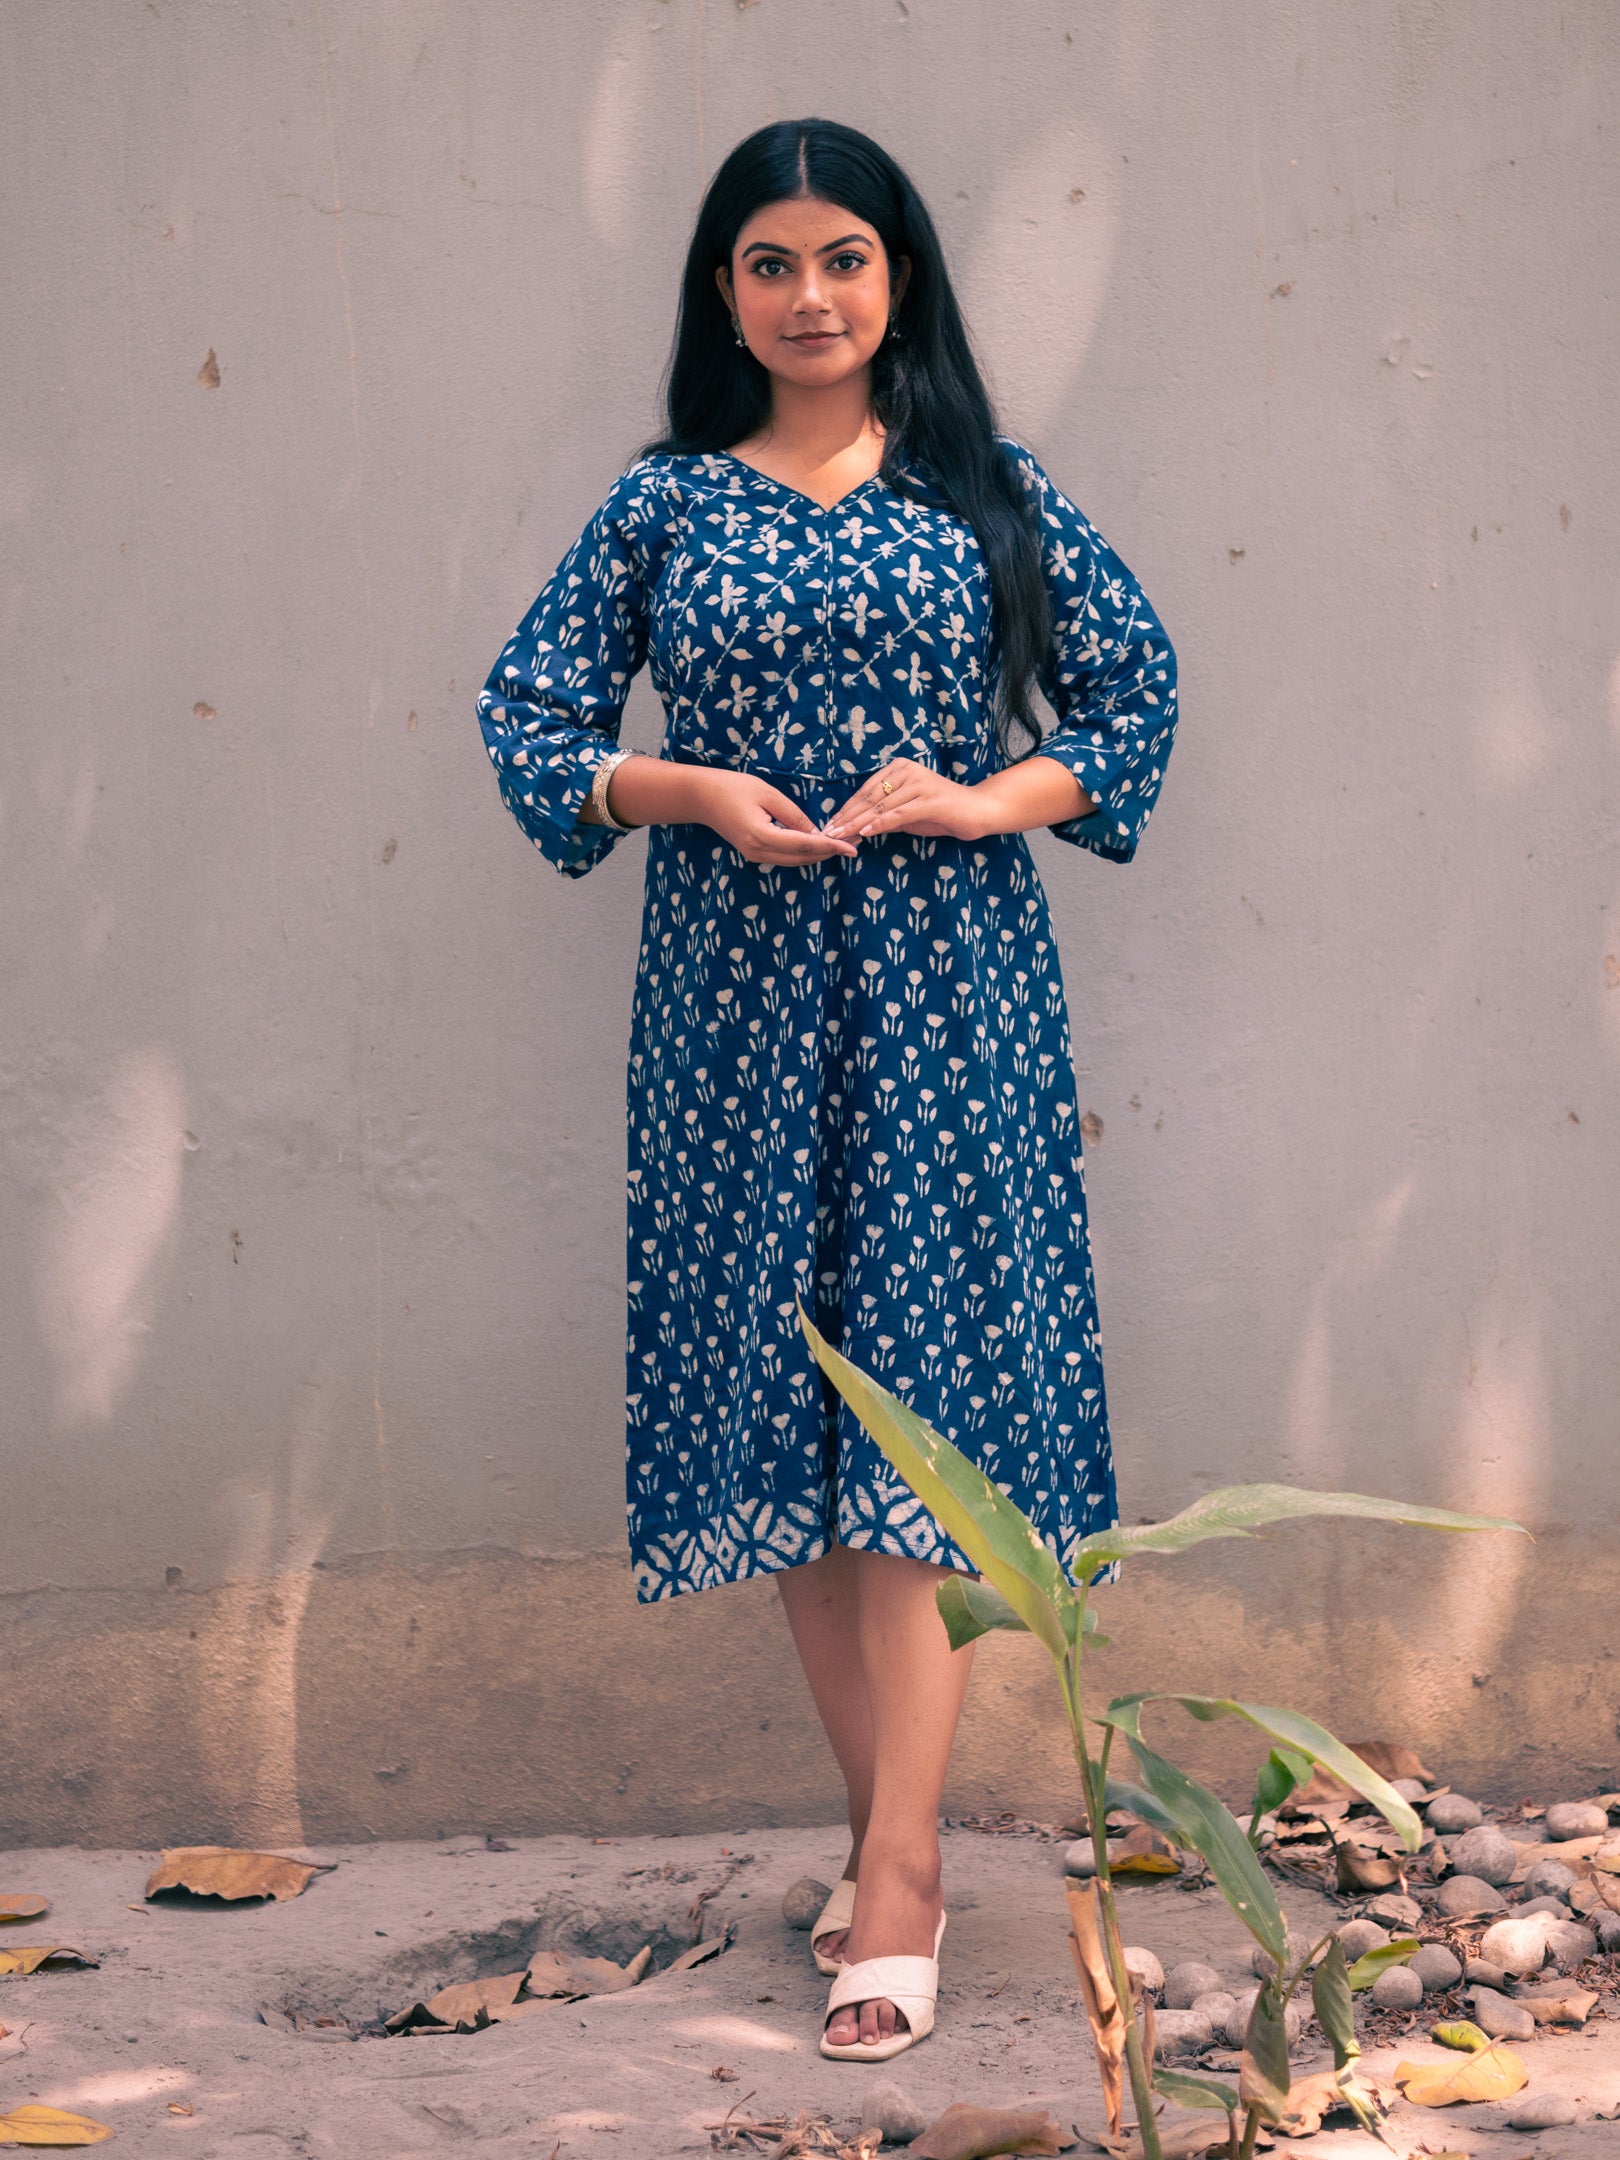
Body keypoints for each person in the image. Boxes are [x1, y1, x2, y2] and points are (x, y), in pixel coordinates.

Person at [475, 117, 1178, 2065]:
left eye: (844, 259)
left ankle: (895, 1872)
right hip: (735, 1006)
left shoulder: (981, 488)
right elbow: (531, 718)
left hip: (949, 992)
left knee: (918, 1427)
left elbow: (1137, 699)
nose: (810, 296)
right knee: (794, 1432)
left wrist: (977, 794)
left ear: (900, 281)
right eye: (771, 262)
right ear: (725, 291)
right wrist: (681, 788)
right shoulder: (662, 510)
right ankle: (905, 1848)